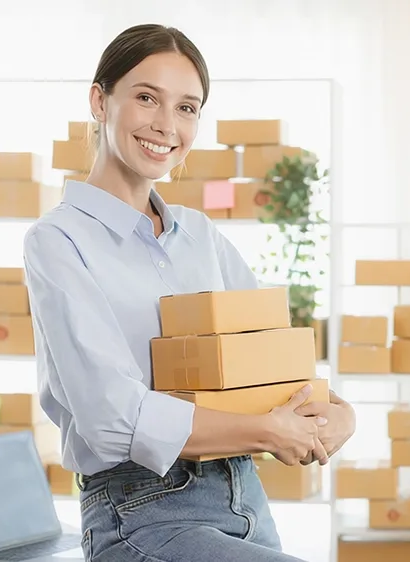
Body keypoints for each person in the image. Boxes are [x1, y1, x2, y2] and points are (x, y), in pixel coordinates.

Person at [22, 24, 356, 562]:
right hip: (142, 515)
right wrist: (267, 432)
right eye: (147, 98)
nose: (166, 125)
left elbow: (271, 365)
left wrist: (335, 412)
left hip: (246, 501)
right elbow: (112, 422)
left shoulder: (201, 237)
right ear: (99, 101)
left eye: (187, 107)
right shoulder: (59, 242)